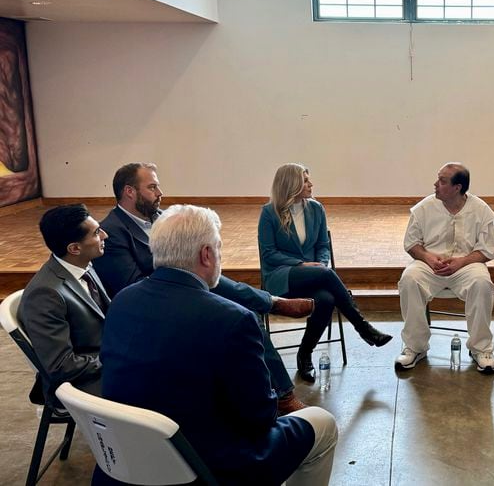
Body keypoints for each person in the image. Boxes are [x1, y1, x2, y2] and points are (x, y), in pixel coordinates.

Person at [99, 205, 337, 485]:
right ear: (206, 254)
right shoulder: (232, 319)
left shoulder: (121, 302)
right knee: (323, 423)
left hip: (129, 461)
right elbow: (260, 419)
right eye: (219, 248)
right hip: (208, 467)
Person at [93, 162, 310, 414]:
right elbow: (133, 284)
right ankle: (271, 305)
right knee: (240, 318)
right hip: (157, 306)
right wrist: (183, 273)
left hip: (187, 287)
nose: (159, 193)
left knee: (237, 310)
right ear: (129, 192)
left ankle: (280, 391)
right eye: (152, 187)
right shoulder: (112, 232)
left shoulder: (162, 218)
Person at [258, 163, 392, 382]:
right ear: (291, 184)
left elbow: (322, 246)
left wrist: (319, 264)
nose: (311, 184)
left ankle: (305, 354)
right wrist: (302, 265)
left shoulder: (316, 209)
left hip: (314, 275)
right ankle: (363, 328)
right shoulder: (269, 213)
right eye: (306, 180)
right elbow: (268, 253)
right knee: (327, 275)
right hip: (281, 276)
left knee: (327, 299)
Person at [395, 162, 494, 372]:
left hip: (467, 265)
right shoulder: (424, 208)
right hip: (430, 265)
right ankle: (415, 347)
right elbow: (411, 243)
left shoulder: (480, 209)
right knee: (409, 279)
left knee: (482, 283)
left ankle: (481, 348)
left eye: (442, 181)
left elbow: (487, 250)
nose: (435, 184)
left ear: (457, 187)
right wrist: (427, 257)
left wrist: (461, 262)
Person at [18, 204, 109, 399]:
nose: (104, 236)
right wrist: (115, 359)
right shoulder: (45, 294)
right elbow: (61, 365)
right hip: (82, 383)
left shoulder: (83, 265)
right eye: (96, 233)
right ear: (74, 248)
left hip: (102, 360)